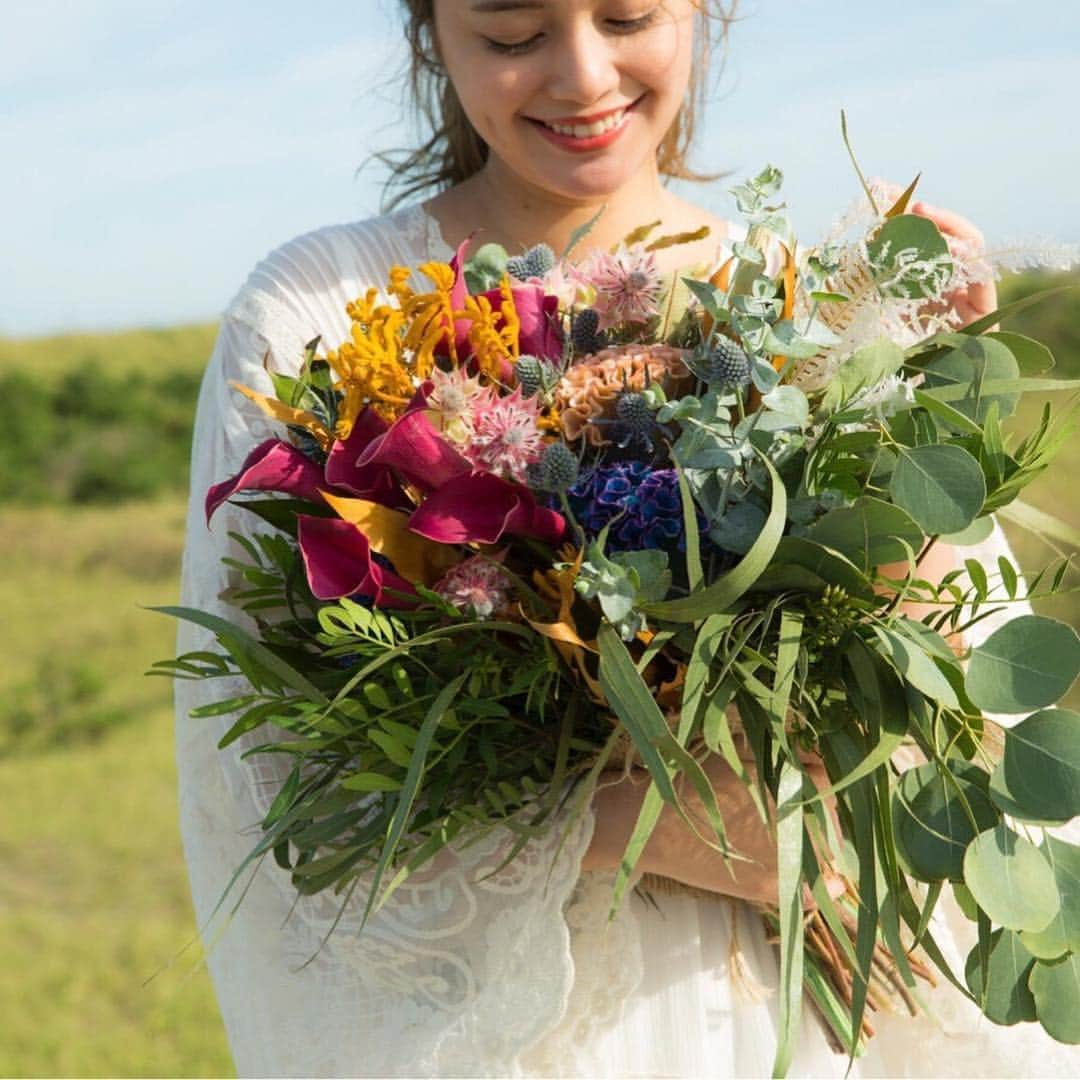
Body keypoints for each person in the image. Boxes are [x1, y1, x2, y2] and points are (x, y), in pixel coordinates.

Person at [175, 2, 1078, 1076]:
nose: (583, 76)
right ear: (431, 32)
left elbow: (962, 686)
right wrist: (666, 819)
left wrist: (918, 394)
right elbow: (272, 785)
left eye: (629, 15)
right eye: (513, 35)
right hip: (535, 1033)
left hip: (801, 1016)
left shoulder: (813, 300)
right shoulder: (319, 312)